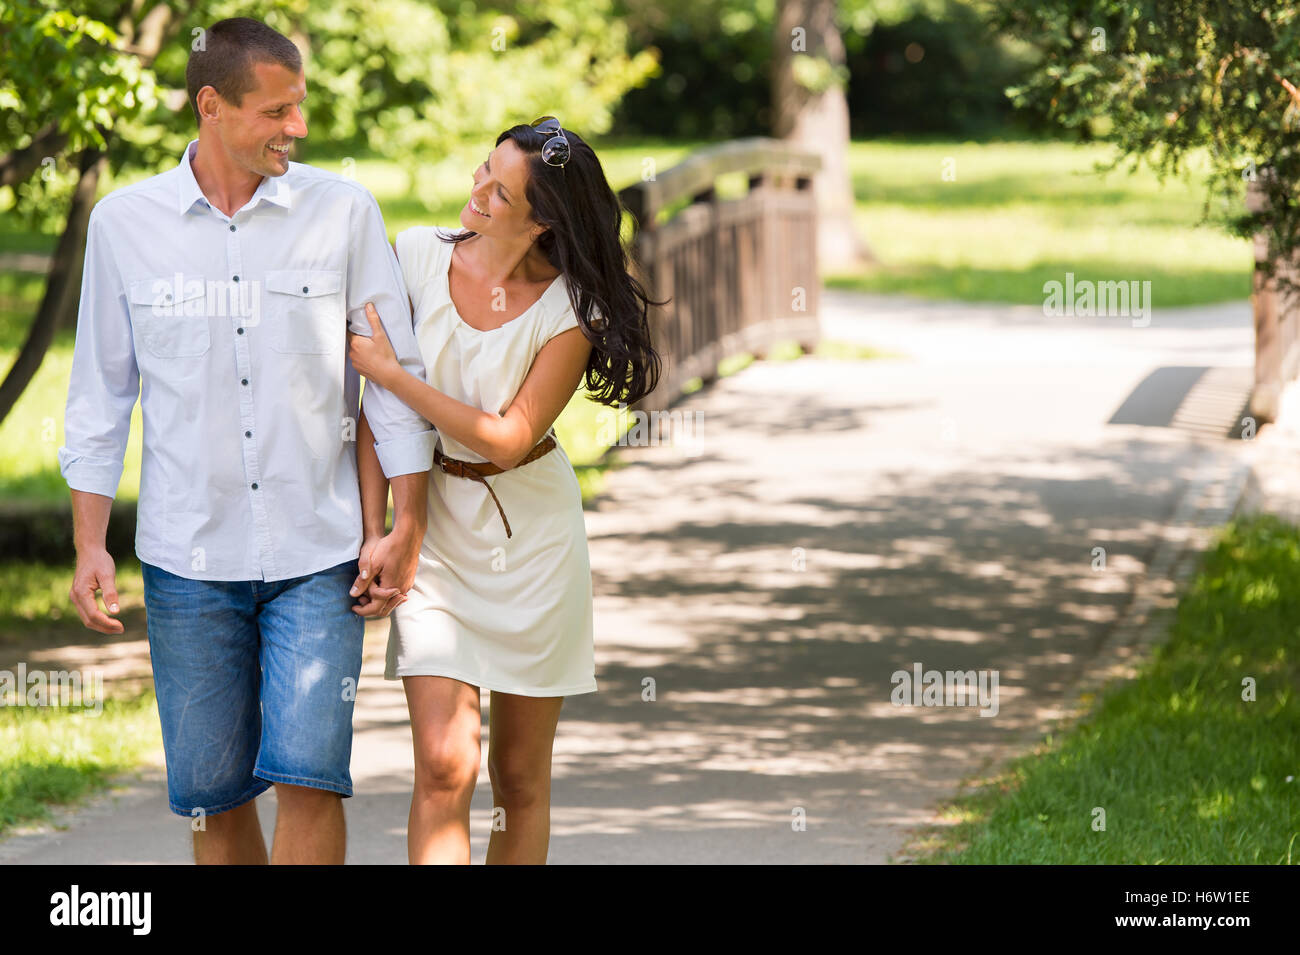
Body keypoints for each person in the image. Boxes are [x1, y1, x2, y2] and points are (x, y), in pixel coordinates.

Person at [58, 17, 433, 865]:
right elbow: (99, 396)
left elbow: (392, 376)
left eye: (300, 106)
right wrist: (89, 543)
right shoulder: (124, 226)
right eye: (275, 111)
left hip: (318, 548)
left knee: (311, 778)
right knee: (214, 799)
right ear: (212, 106)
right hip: (187, 559)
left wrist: (402, 520)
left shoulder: (344, 213)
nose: (296, 128)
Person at [346, 117, 661, 864]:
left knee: (518, 777)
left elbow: (509, 435)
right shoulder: (417, 256)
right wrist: (379, 527)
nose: (477, 191)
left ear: (543, 219)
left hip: (532, 537)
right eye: (483, 171)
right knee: (445, 763)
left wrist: (393, 373)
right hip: (435, 530)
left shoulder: (570, 308)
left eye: (500, 189)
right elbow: (376, 414)